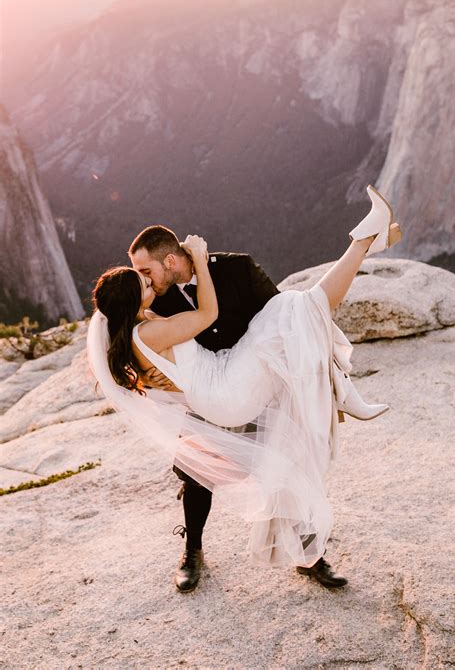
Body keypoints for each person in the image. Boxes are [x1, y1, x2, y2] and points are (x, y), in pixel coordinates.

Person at [87, 185, 401, 591]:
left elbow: (280, 320)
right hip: (223, 391)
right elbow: (195, 323)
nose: (145, 280)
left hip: (252, 380)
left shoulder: (236, 268)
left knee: (292, 452)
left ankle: (310, 555)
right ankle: (193, 551)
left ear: (169, 260)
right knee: (195, 476)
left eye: (146, 272)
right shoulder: (156, 308)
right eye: (140, 278)